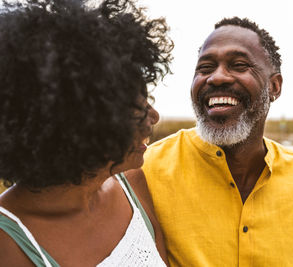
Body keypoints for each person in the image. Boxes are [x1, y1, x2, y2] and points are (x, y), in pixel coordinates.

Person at [136, 17, 293, 266]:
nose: (216, 77)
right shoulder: (146, 171)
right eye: (205, 68)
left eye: (238, 65)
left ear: (274, 86)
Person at [0, 0, 173, 266]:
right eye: (135, 109)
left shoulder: (131, 185)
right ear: (80, 122)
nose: (154, 117)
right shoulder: (8, 242)